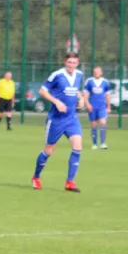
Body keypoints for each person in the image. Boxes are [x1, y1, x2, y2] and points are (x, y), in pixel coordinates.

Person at [32, 52, 84, 192]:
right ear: (65, 62)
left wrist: (82, 98)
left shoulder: (79, 74)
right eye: (69, 62)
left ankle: (70, 182)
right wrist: (56, 102)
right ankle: (36, 177)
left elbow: (76, 90)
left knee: (78, 146)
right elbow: (42, 91)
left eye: (74, 63)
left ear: (77, 63)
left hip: (71, 118)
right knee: (49, 150)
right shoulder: (57, 75)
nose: (71, 65)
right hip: (56, 119)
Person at [83, 66, 111, 149]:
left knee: (103, 123)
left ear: (101, 72)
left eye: (98, 72)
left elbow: (108, 95)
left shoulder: (105, 82)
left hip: (102, 106)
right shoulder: (89, 81)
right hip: (92, 106)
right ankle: (94, 144)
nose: (96, 73)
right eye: (95, 72)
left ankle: (102, 143)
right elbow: (85, 93)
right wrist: (87, 103)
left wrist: (108, 106)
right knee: (94, 125)